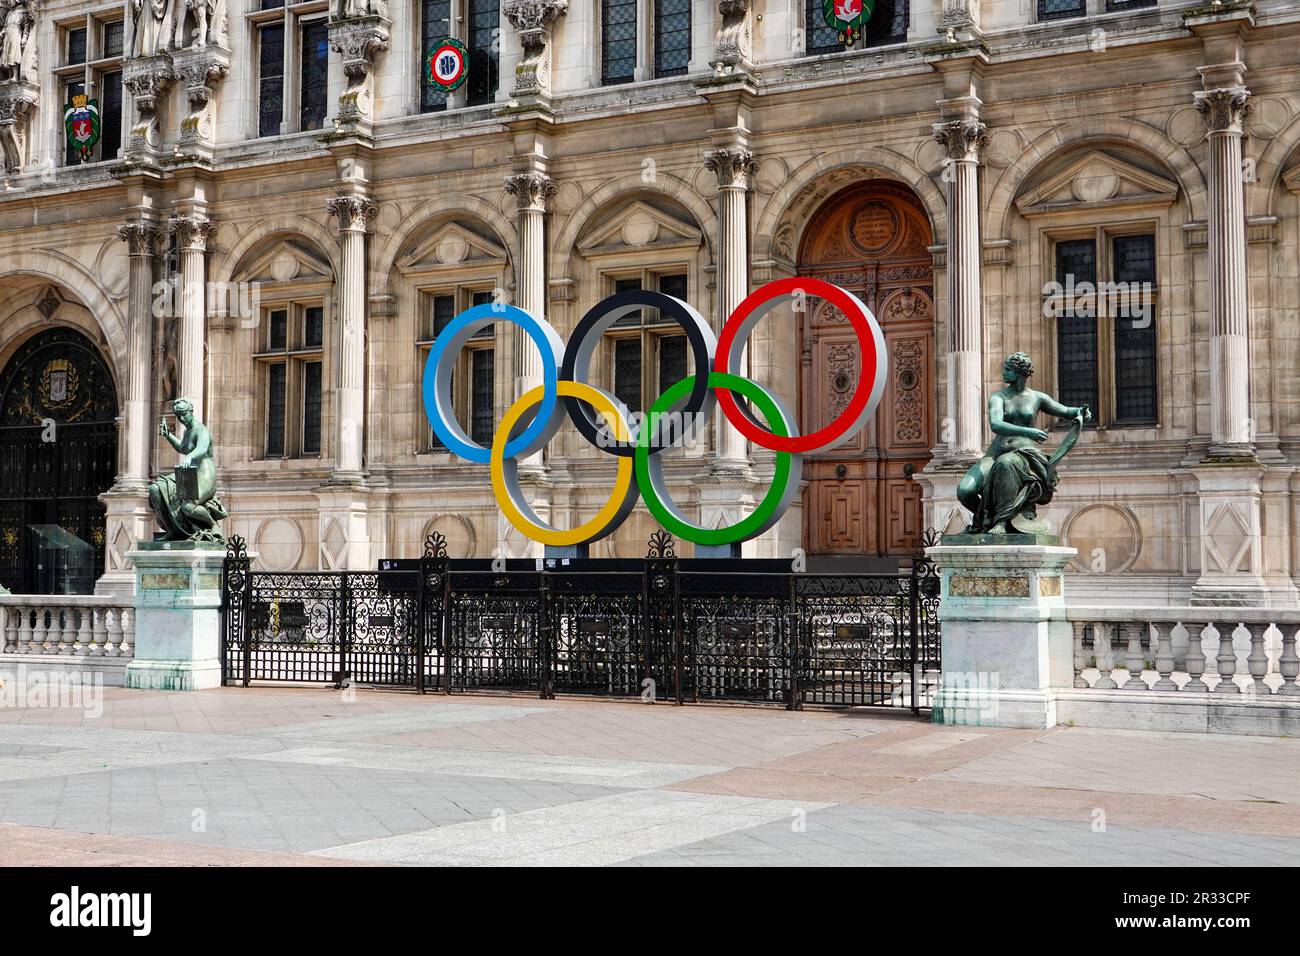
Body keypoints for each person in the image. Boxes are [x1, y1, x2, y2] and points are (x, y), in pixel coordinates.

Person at [957, 352, 1091, 535]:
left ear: (1020, 373)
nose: (1004, 373)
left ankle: (1002, 522)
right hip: (995, 453)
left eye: (1008, 369)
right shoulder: (998, 397)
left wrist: (1081, 411)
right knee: (965, 491)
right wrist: (1029, 431)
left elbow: (1066, 411)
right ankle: (985, 519)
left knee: (1006, 463)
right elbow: (996, 424)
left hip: (1023, 455)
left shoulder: (1037, 398)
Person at [149, 397, 228, 541]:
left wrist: (189, 457)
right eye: (178, 416)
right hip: (190, 473)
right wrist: (168, 436)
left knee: (188, 506)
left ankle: (212, 525)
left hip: (204, 474)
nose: (182, 418)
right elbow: (182, 448)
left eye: (184, 414)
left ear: (191, 411)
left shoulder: (201, 430)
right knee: (155, 488)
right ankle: (171, 530)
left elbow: (202, 449)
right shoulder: (187, 432)